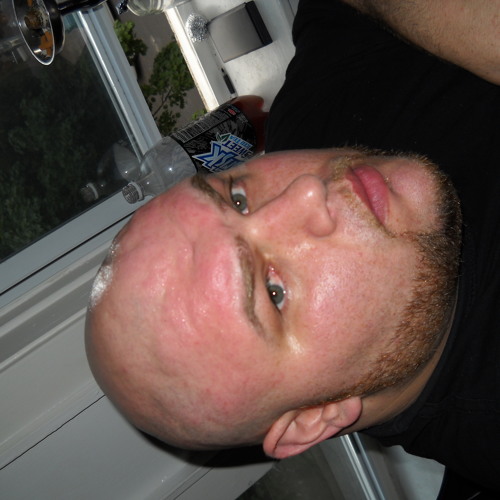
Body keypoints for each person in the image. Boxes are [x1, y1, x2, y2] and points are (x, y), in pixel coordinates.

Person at [85, 0, 500, 495]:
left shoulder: (312, 124)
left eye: (237, 198)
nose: (306, 193)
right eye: (273, 291)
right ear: (314, 418)